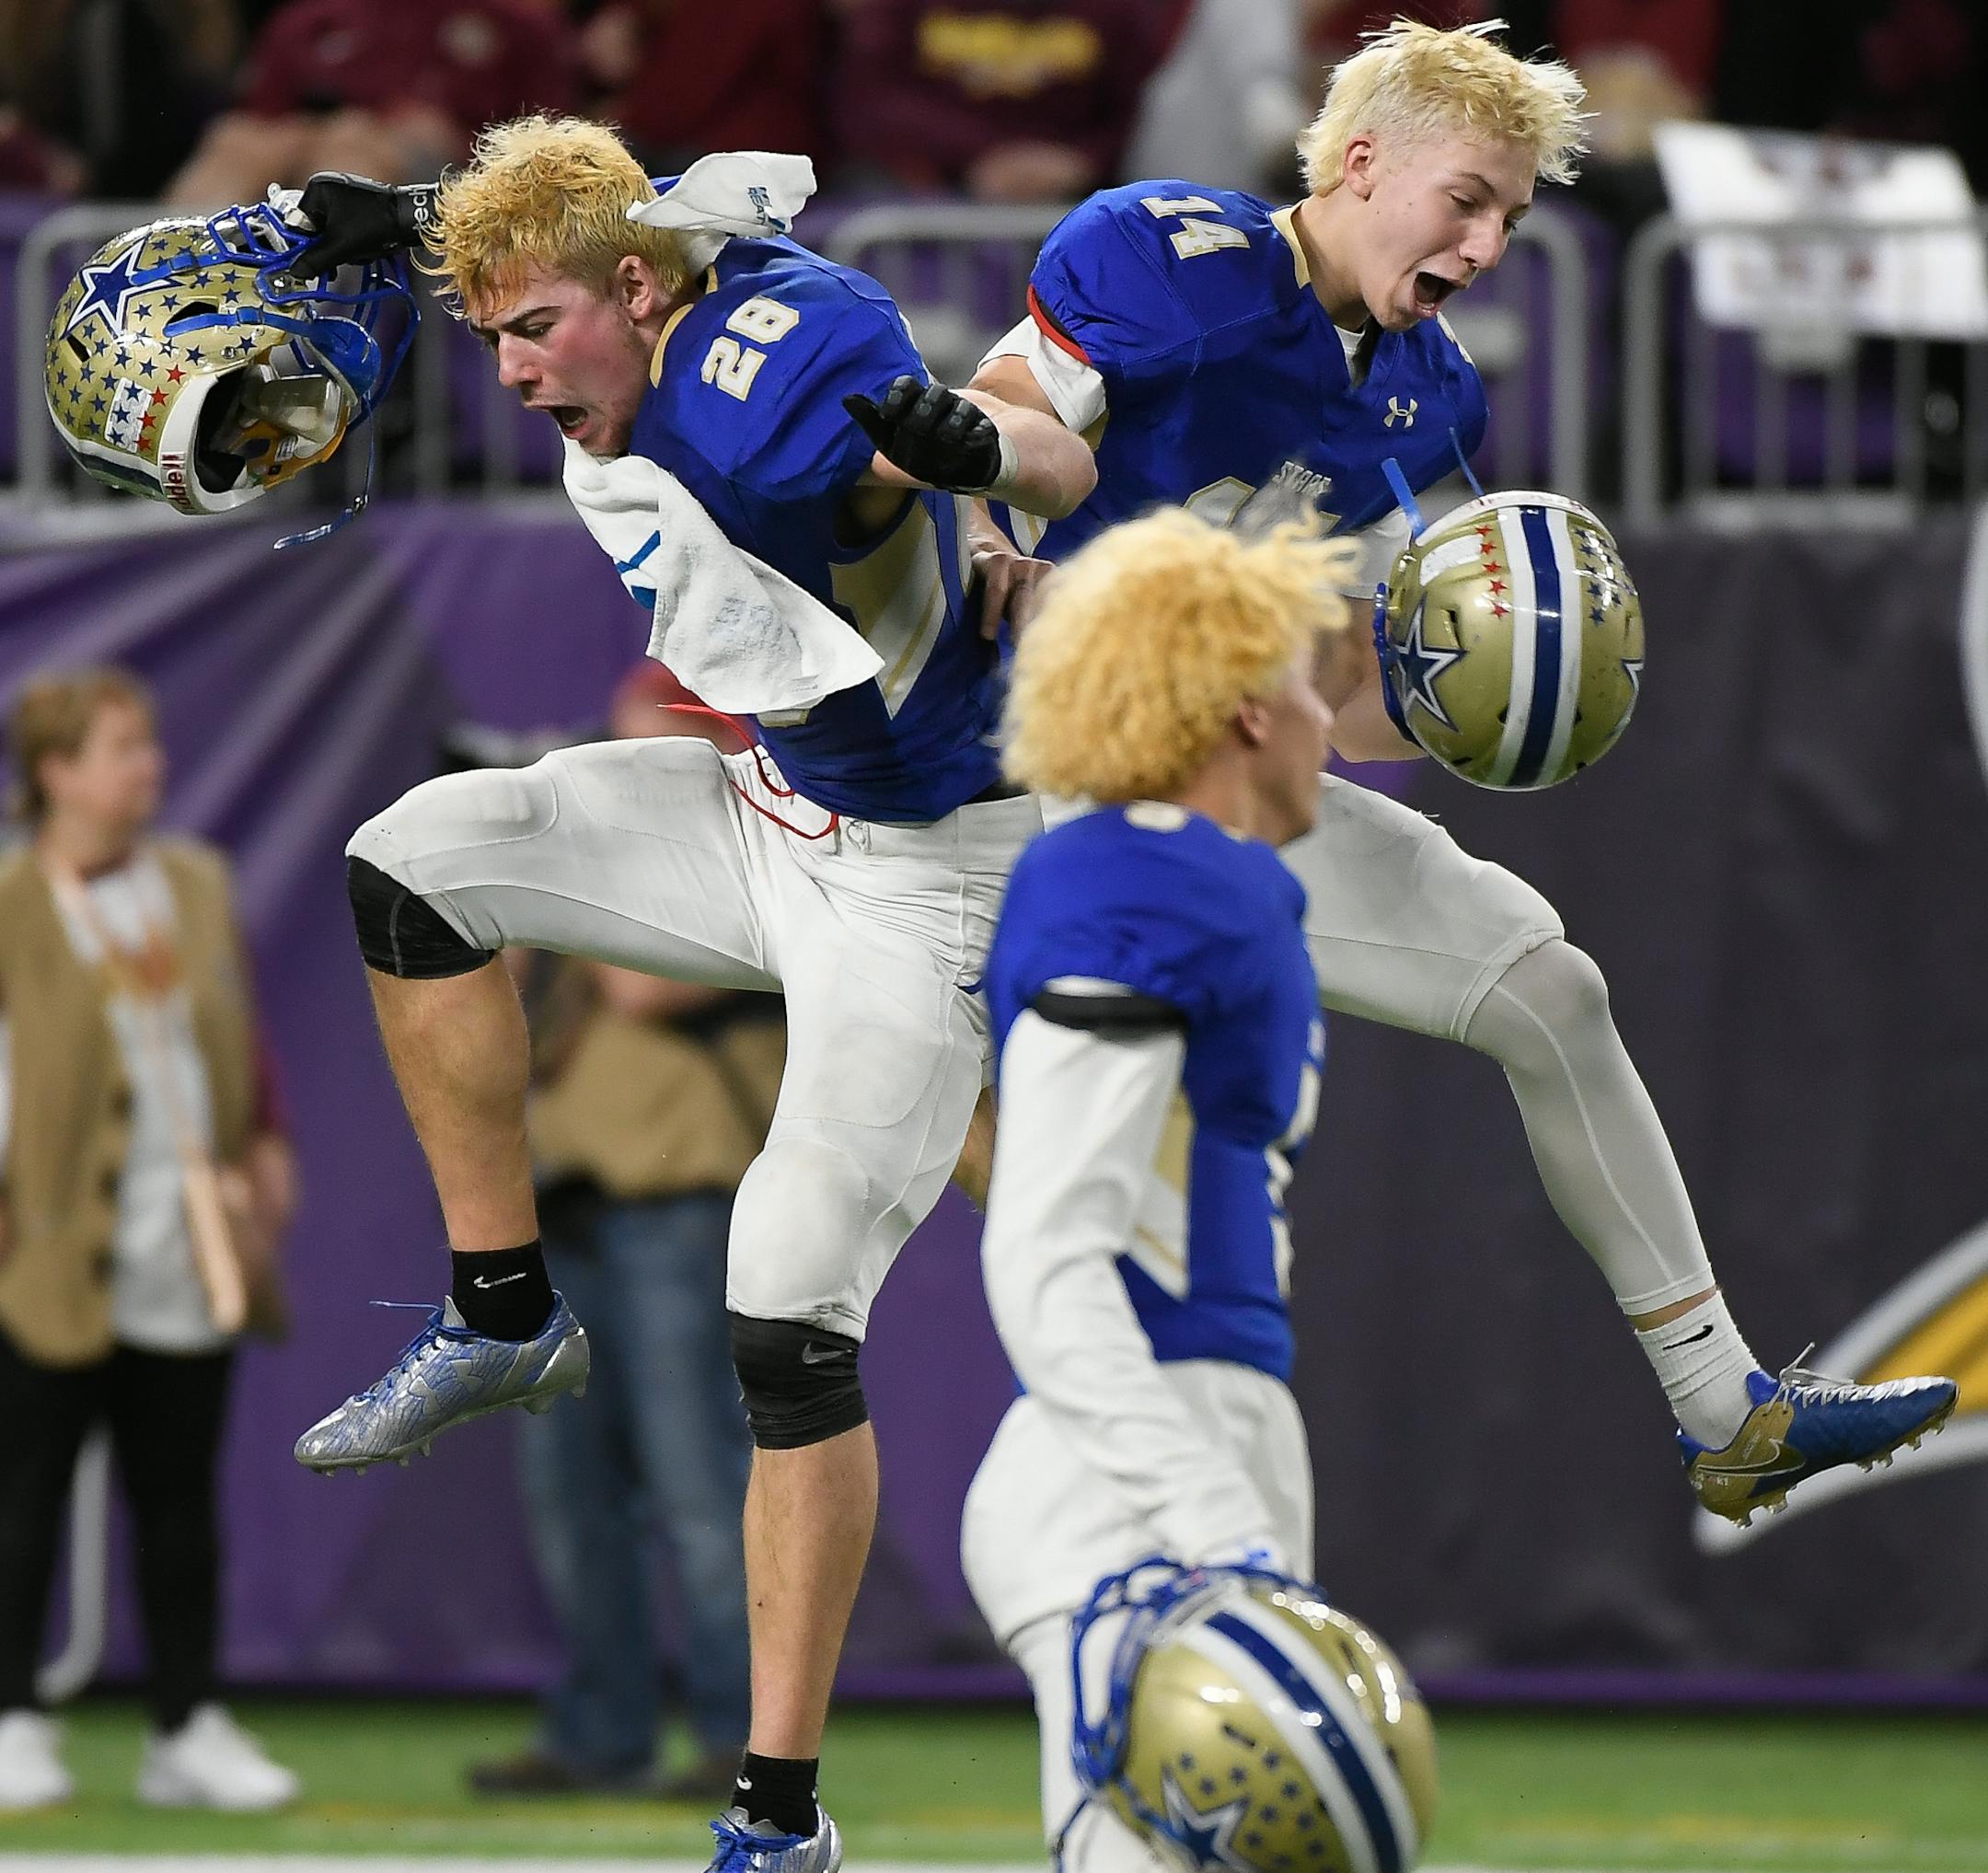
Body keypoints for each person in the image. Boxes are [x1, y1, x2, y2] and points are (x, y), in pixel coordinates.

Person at [965, 16, 1958, 1521]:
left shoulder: (1432, 395)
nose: (1489, 246)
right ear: (1362, 163)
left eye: (1513, 217)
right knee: (1041, 1199)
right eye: (1469, 200)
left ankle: (1725, 1409)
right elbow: (1007, 411)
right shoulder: (1177, 255)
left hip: (1222, 768)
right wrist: (982, 534)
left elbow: (1356, 692)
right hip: (1037, 769)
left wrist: (1480, 702)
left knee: (1548, 991)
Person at [284, 118, 1096, 1872]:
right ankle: (504, 1307)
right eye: (493, 337)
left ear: (639, 299)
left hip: (917, 865)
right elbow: (601, 232)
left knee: (787, 1316)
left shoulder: (760, 400)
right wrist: (397, 215)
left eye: (534, 336)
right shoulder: (654, 271)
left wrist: (980, 467)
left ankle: (774, 1814)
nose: (509, 376)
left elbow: (1036, 469)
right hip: (765, 811)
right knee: (414, 858)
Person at [962, 503, 1381, 1872]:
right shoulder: (1144, 878)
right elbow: (1045, 1254)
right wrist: (1217, 1525)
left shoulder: (1203, 881)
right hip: (1133, 1481)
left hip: (1190, 1444)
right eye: (1309, 681)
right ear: (1244, 704)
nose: (1331, 713)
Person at [468, 666, 776, 1805]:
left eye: (633, 744)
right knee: (571, 1487)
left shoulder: (759, 847)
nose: (612, 764)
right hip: (572, 1201)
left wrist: (568, 854)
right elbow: (507, 1010)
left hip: (681, 1205)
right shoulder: (597, 870)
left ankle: (746, 1738)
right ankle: (601, 1728)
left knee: (700, 1482)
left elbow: (643, 990)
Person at [0, 666, 297, 1814]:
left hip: (186, 1243)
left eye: (150, 744)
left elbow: (242, 1041)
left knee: (180, 1492)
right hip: (45, 1249)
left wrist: (265, 1156)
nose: (149, 767)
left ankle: (190, 1724)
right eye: (122, 747)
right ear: (57, 771)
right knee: (23, 1490)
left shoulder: (196, 883)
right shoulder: (16, 898)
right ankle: (16, 1719)